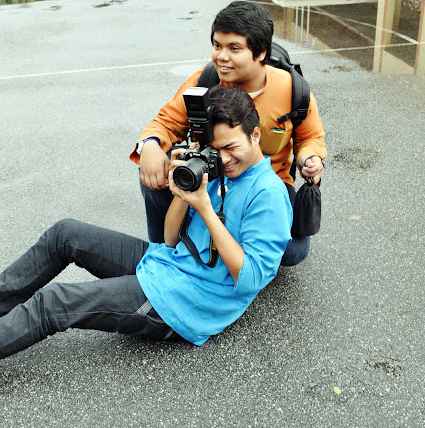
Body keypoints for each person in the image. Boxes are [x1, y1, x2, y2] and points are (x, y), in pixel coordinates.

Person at [0, 86, 292, 360]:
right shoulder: (218, 170)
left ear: (255, 135)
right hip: (166, 262)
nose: (224, 159)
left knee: (53, 302)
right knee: (65, 234)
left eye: (230, 147)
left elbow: (251, 280)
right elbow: (170, 240)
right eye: (215, 149)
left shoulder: (267, 194)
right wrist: (183, 191)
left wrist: (204, 208)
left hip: (186, 300)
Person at [130, 0, 327, 266]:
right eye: (217, 45)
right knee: (155, 167)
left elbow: (310, 138)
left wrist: (309, 158)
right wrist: (150, 144)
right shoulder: (204, 82)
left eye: (234, 48)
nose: (221, 56)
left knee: (292, 252)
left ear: (261, 52)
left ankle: (230, 247)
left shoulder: (293, 90)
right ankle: (162, 250)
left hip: (266, 186)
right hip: (209, 180)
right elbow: (166, 122)